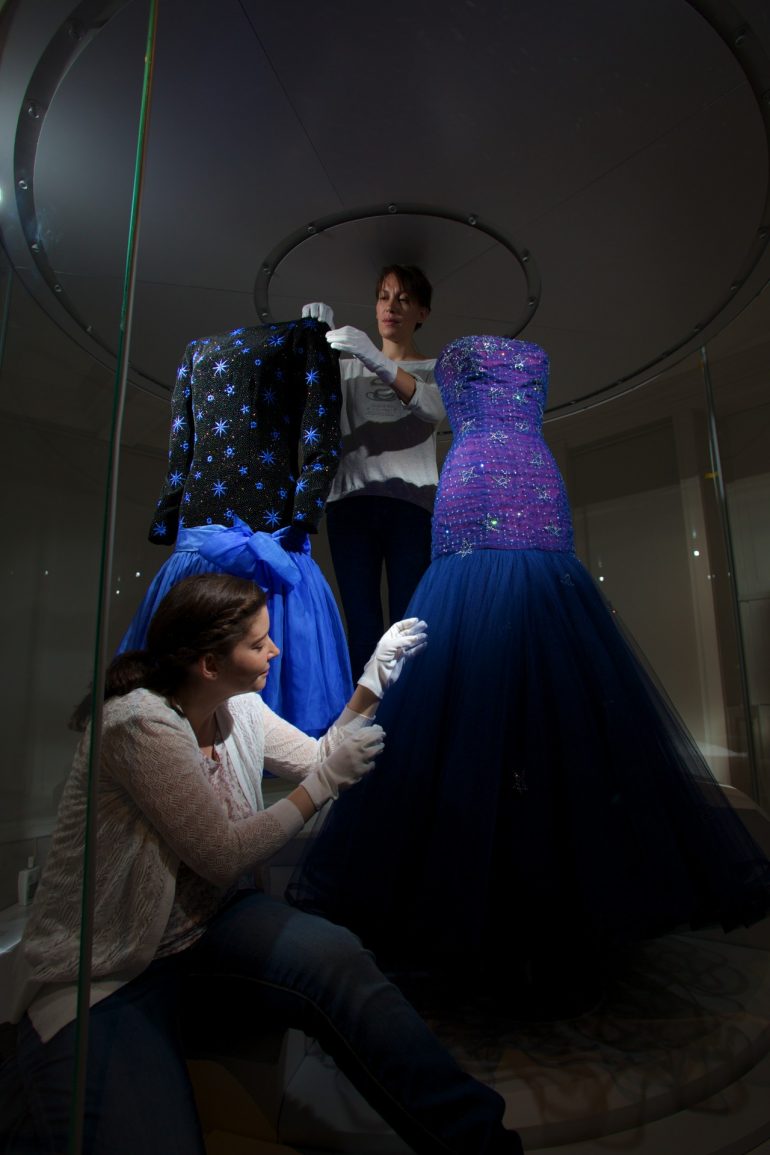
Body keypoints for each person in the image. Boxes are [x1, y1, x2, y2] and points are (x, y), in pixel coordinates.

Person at [288, 334, 770, 1009]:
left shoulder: (515, 359)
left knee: (553, 698)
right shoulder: (448, 363)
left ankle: (563, 899)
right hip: (471, 494)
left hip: (536, 496)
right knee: (474, 696)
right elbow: (424, 408)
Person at [1, 572, 524, 1155]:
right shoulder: (139, 724)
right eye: (257, 643)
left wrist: (372, 680)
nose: (274, 649)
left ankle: (482, 1144)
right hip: (110, 968)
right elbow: (224, 853)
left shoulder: (240, 708)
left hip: (210, 928)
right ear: (207, 662)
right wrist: (323, 785)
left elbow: (318, 758)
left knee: (340, 962)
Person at [120, 315, 351, 737]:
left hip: (270, 529)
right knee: (171, 704)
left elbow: (323, 433)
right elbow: (181, 439)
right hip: (204, 532)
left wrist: (304, 511)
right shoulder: (195, 351)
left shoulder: (304, 338)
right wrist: (170, 512)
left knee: (268, 675)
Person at [303, 264, 446, 678]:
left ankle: (407, 721)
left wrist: (373, 357)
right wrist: (311, 343)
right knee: (362, 625)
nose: (391, 307)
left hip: (411, 507)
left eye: (403, 299)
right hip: (351, 505)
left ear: (423, 312)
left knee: (409, 624)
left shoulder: (436, 369)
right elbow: (306, 408)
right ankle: (363, 724)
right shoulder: (346, 369)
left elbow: (433, 409)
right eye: (384, 297)